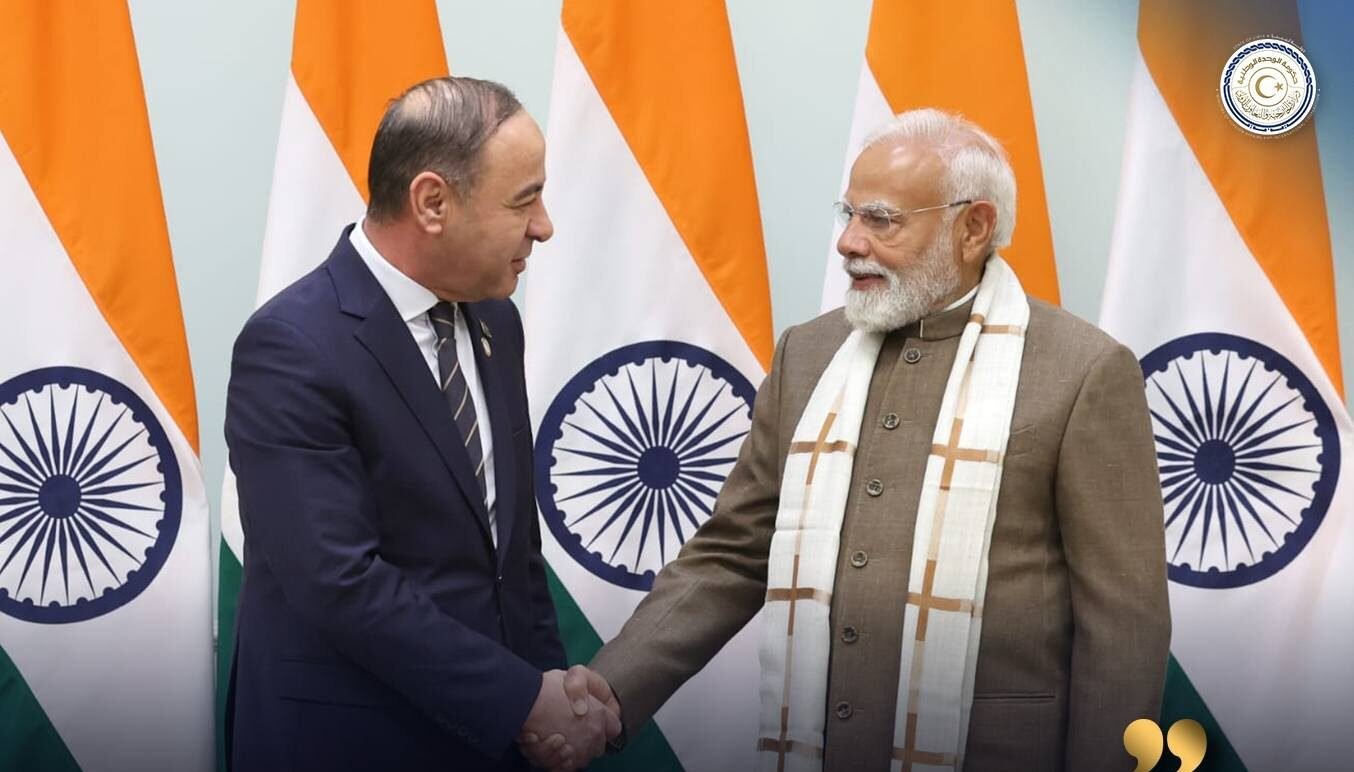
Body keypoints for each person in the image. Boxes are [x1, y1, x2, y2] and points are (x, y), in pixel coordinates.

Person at [559, 108, 1171, 770]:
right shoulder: (809, 353)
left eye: (881, 220)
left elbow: (1123, 624)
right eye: (848, 215)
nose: (849, 242)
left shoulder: (1082, 370)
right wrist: (609, 690)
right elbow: (732, 554)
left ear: (973, 228)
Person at [224, 76, 617, 772]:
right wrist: (523, 702)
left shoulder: (495, 320)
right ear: (432, 202)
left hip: (492, 742)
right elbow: (340, 582)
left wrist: (553, 704)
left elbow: (512, 556)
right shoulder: (291, 346)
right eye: (523, 200)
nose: (543, 226)